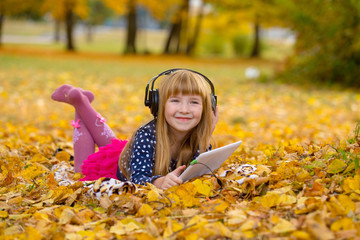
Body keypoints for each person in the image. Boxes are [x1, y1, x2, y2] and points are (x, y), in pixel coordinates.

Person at [51, 69, 219, 189]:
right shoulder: (146, 136)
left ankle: (82, 101)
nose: (184, 109)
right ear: (158, 104)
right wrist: (159, 182)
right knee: (82, 170)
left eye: (194, 102)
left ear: (208, 108)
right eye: (175, 100)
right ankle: (79, 103)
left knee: (110, 143)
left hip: (126, 154)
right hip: (115, 170)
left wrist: (206, 134)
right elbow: (137, 179)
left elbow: (198, 171)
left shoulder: (198, 138)